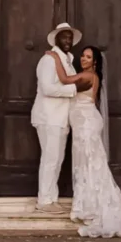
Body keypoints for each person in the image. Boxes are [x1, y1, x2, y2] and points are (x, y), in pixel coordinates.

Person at [52, 41, 121, 238]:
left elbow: (63, 79)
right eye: (83, 56)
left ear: (95, 62)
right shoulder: (92, 75)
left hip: (86, 122)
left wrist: (55, 58)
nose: (83, 59)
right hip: (84, 121)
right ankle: (88, 204)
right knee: (87, 162)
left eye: (88, 57)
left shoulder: (87, 76)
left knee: (89, 162)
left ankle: (91, 207)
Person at [31, 22, 79, 207]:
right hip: (49, 116)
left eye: (70, 37)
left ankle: (52, 198)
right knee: (50, 159)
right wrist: (73, 90)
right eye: (64, 37)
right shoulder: (48, 60)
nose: (68, 40)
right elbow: (47, 88)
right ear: (56, 39)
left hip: (61, 118)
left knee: (56, 159)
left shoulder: (67, 60)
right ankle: (44, 200)